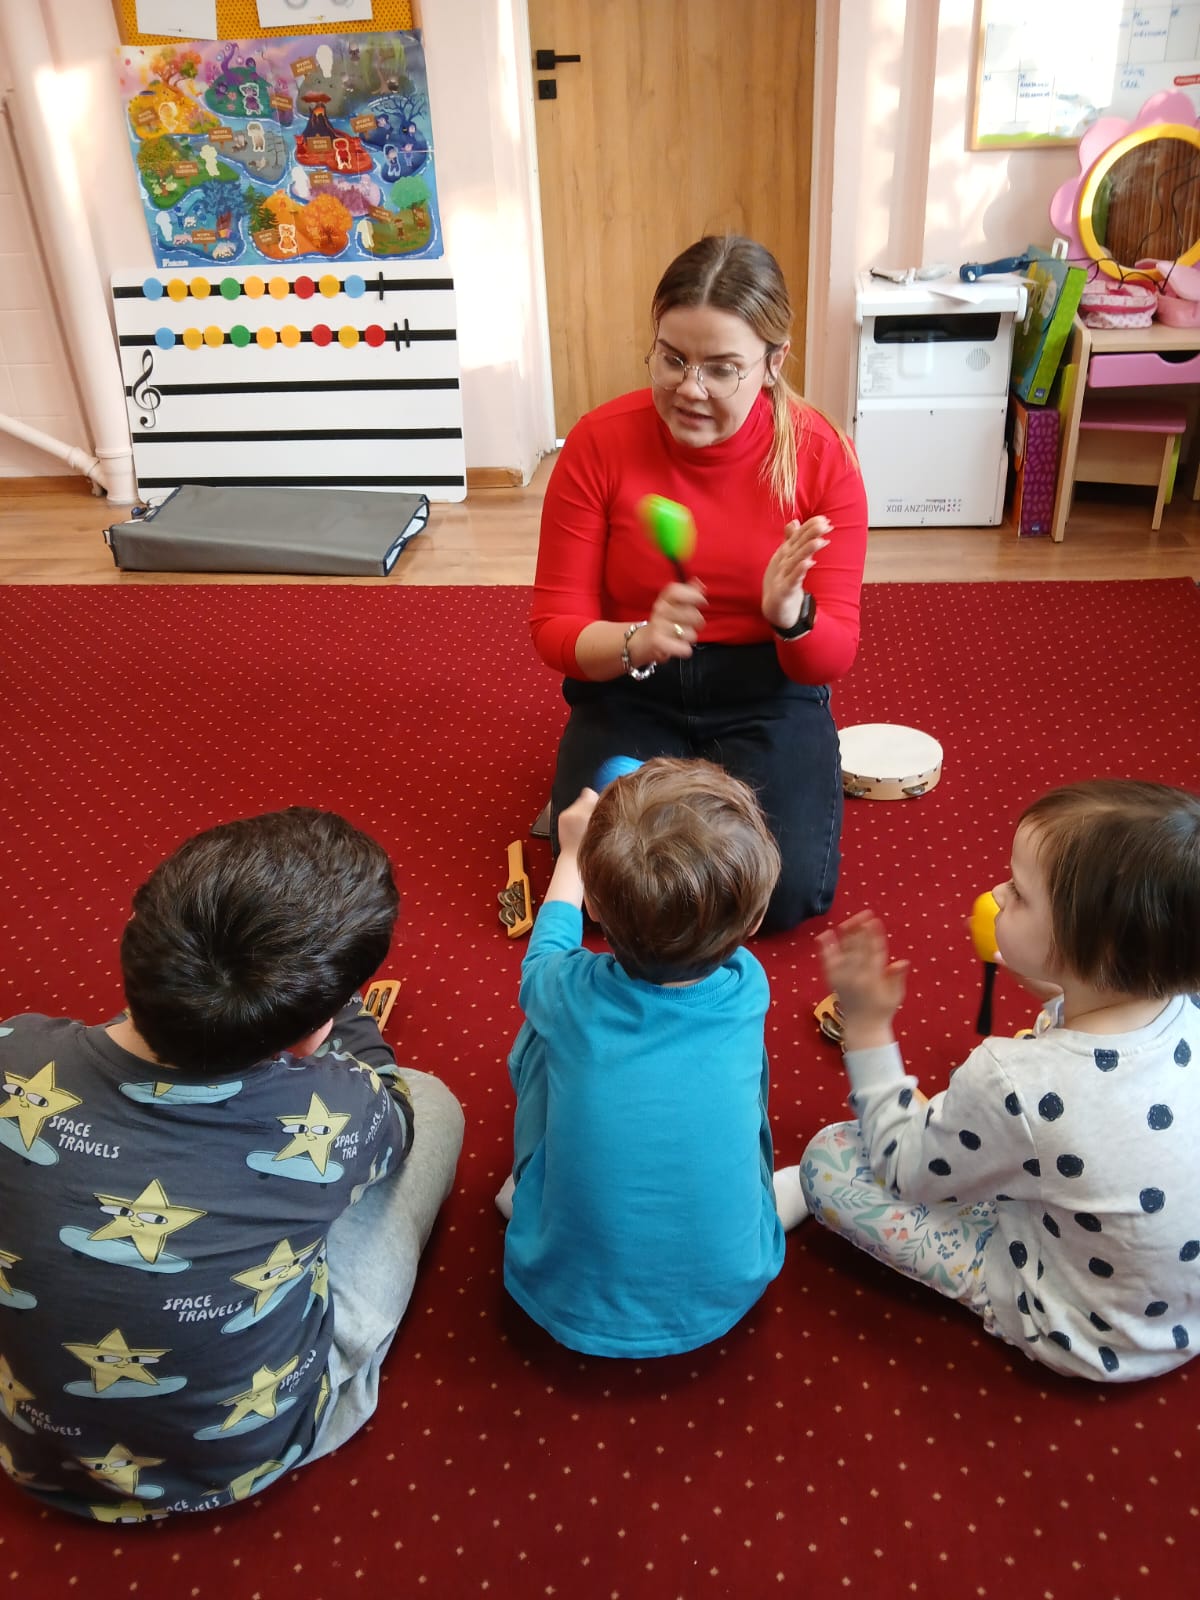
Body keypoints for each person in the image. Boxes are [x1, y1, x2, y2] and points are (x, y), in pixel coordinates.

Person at [0, 808, 464, 1519]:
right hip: (249, 1452)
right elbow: (393, 1118)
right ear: (311, 1035)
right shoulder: (341, 1109)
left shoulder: (13, 1048)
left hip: (31, 1445)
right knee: (430, 1105)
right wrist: (343, 1022)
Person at [785, 780, 1200, 1383]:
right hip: (1180, 1312)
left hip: (1081, 1329)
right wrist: (1059, 983)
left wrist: (868, 1028)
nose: (997, 895)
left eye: (1020, 894)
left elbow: (905, 1169)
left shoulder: (1012, 1080)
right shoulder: (1184, 1001)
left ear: (1098, 950)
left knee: (830, 1159)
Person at [530, 234, 869, 932]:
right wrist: (638, 640)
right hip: (633, 685)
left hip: (766, 690)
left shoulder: (821, 457)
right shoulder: (598, 442)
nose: (690, 388)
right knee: (597, 889)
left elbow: (831, 655)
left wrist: (790, 615)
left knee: (783, 893)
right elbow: (555, 629)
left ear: (773, 362)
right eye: (673, 358)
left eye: (722, 369)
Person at [497, 757, 794, 1358]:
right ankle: (775, 1198)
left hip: (559, 1285)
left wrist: (572, 854)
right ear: (757, 918)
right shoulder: (747, 989)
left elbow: (542, 957)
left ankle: (529, 1193)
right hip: (734, 1282)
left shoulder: (569, 991)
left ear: (596, 909)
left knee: (542, 1038)